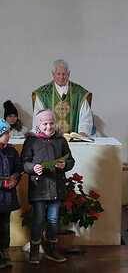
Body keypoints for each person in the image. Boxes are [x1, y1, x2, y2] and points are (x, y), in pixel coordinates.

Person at [22, 110, 75, 264]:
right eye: (45, 124)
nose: (49, 126)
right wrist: (33, 168)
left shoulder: (60, 140)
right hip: (39, 188)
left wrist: (64, 164)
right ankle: (34, 251)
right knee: (38, 219)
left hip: (56, 187)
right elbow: (24, 162)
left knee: (53, 220)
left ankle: (52, 250)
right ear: (38, 124)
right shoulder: (31, 141)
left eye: (51, 123)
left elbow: (70, 160)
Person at [32, 59, 93, 136]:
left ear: (69, 74)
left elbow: (85, 118)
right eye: (58, 74)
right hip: (49, 141)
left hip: (74, 142)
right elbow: (38, 119)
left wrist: (82, 133)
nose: (61, 77)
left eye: (64, 74)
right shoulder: (43, 94)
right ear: (53, 74)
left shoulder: (79, 93)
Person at [0, 119, 23, 269]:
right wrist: (2, 183)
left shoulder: (12, 151)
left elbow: (18, 168)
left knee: (4, 226)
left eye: (9, 132)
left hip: (7, 198)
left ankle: (5, 253)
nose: (8, 135)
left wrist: (15, 178)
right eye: (5, 133)